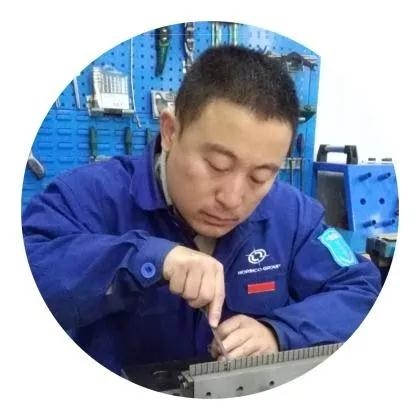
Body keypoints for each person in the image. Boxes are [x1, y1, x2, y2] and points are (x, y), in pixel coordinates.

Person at [22, 45, 381, 376]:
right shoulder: (87, 196)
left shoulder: (294, 215)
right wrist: (146, 259)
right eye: (217, 165)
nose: (232, 198)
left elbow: (360, 290)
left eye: (260, 176)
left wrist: (279, 333)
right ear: (170, 131)